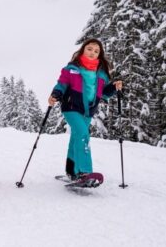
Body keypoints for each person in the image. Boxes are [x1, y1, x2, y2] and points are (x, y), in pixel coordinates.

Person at [48, 38, 123, 186]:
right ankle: (85, 172)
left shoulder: (101, 74)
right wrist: (55, 94)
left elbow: (103, 93)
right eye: (89, 49)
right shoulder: (71, 69)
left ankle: (72, 172)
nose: (92, 52)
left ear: (99, 55)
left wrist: (114, 87)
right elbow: (61, 84)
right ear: (83, 50)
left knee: (76, 137)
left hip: (88, 111)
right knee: (82, 134)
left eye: (96, 51)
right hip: (71, 108)